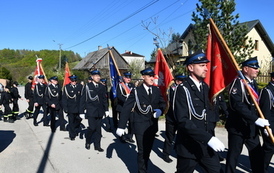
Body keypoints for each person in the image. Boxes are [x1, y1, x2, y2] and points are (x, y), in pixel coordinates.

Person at [173, 52, 225, 173]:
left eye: (206, 65)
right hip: (189, 146)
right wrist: (208, 138)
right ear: (191, 68)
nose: (206, 68)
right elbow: (182, 120)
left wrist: (211, 137)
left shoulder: (205, 87)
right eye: (202, 65)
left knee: (217, 170)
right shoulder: (183, 89)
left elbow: (208, 114)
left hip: (205, 146)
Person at [116, 67, 166, 173]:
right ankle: (142, 171)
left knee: (147, 150)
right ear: (143, 77)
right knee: (142, 151)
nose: (152, 78)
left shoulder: (156, 90)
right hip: (140, 125)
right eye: (149, 76)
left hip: (152, 125)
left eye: (153, 76)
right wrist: (121, 126)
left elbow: (163, 103)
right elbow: (127, 108)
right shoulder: (137, 91)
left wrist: (160, 110)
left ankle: (144, 167)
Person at [225, 57, 269, 173]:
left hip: (251, 127)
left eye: (257, 68)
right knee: (234, 155)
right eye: (254, 68)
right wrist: (256, 119)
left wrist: (261, 124)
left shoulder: (253, 83)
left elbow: (255, 106)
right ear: (245, 69)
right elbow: (237, 105)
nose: (257, 70)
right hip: (238, 127)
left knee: (257, 154)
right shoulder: (237, 82)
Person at [80, 70, 109, 152]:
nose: (98, 77)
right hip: (91, 111)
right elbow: (82, 100)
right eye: (96, 76)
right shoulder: (87, 86)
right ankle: (88, 141)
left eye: (99, 76)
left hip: (99, 111)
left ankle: (97, 145)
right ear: (92, 77)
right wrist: (81, 111)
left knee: (98, 130)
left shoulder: (102, 87)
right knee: (92, 128)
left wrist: (106, 109)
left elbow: (104, 99)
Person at [162, 74, 186, 163]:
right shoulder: (170, 90)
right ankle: (166, 154)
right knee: (169, 137)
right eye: (181, 81)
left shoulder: (184, 90)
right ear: (177, 81)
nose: (183, 83)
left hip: (180, 118)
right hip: (171, 118)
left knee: (181, 137)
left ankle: (179, 152)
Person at [259, 72, 274, 173]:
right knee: (269, 148)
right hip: (271, 125)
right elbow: (265, 111)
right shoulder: (267, 91)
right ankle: (261, 169)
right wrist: (266, 127)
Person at [62, 75, 83, 140]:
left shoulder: (80, 86)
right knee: (71, 121)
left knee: (79, 119)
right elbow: (64, 99)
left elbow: (82, 97)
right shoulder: (67, 87)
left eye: (75, 80)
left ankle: (75, 128)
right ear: (70, 81)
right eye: (73, 80)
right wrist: (65, 108)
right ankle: (72, 135)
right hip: (70, 107)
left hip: (78, 107)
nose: (74, 82)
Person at [116, 71, 135, 143]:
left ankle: (130, 136)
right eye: (127, 77)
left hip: (131, 108)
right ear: (124, 78)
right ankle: (122, 136)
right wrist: (127, 101)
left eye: (130, 77)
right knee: (122, 122)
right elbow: (119, 96)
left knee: (132, 123)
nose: (129, 79)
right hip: (122, 107)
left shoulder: (132, 85)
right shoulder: (120, 85)